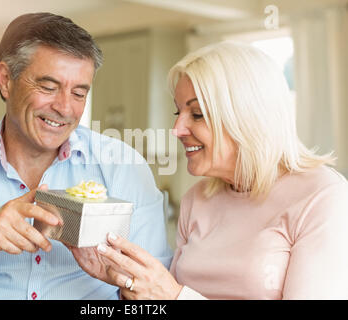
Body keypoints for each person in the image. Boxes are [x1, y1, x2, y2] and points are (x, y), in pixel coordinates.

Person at [0, 12, 172, 299]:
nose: (64, 108)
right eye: (49, 88)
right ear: (5, 80)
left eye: (78, 93)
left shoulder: (124, 167)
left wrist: (126, 284)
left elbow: (155, 297)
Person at [72, 41, 348, 300]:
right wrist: (125, 282)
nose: (177, 129)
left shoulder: (322, 196)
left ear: (245, 115)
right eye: (177, 112)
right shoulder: (198, 198)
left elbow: (175, 293)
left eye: (197, 114)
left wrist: (174, 295)